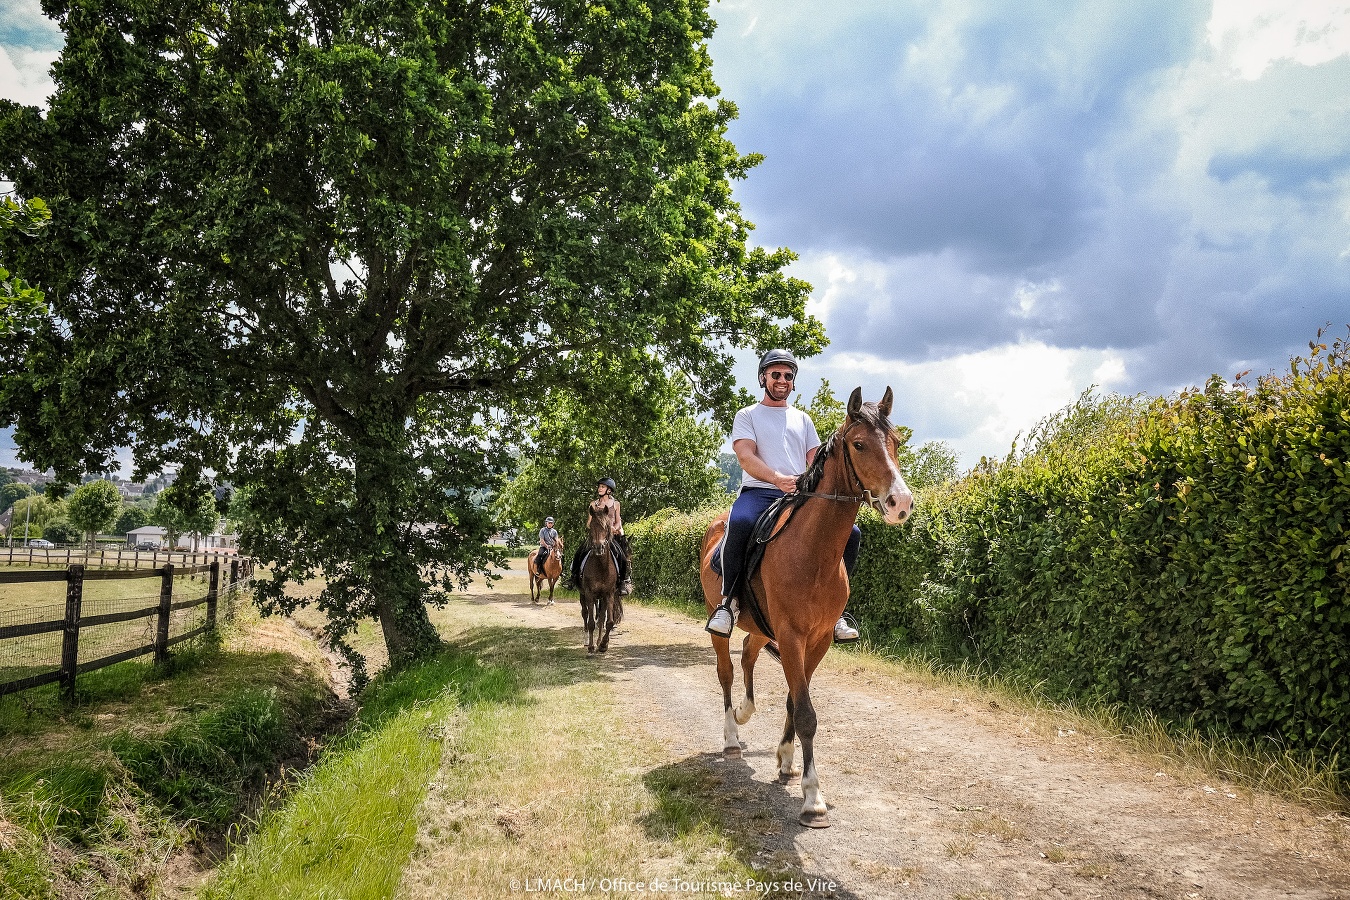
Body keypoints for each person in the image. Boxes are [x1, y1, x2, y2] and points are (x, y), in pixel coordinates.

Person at [705, 348, 861, 643]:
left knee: (851, 533)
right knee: (739, 524)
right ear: (763, 377)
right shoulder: (747, 415)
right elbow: (745, 457)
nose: (782, 380)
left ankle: (837, 612)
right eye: (775, 374)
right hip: (759, 492)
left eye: (788, 376)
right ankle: (727, 603)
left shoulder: (803, 419)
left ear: (793, 382)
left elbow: (817, 460)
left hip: (797, 495)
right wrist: (776, 478)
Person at [570, 477, 633, 596]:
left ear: (609, 490)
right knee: (579, 553)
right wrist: (595, 528)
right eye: (599, 486)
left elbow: (618, 521)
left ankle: (624, 582)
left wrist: (615, 528)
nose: (599, 488)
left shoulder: (616, 504)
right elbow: (589, 523)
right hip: (596, 536)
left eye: (602, 487)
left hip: (611, 537)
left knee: (622, 557)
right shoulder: (593, 504)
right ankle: (573, 578)